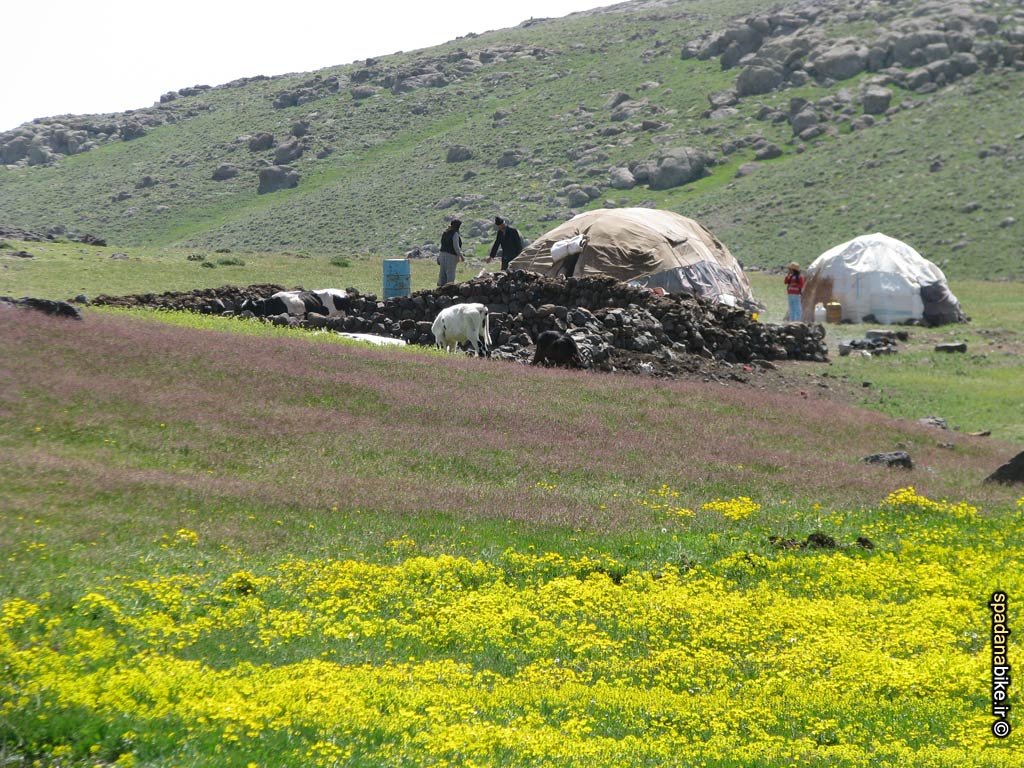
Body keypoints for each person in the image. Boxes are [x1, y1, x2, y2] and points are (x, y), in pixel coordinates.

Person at [437, 218, 464, 286]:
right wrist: (461, 256)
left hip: (442, 255)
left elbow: (442, 245)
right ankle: (449, 288)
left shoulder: (445, 233)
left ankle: (440, 288)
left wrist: (438, 257)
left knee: (442, 273)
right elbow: (456, 246)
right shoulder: (455, 234)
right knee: (450, 274)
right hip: (451, 256)